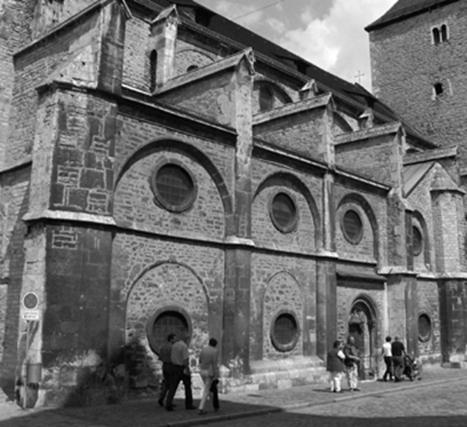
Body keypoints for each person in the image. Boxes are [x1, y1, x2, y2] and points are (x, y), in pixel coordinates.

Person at [165, 334, 196, 411]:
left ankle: (168, 403)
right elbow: (185, 359)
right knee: (187, 386)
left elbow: (171, 357)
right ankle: (188, 404)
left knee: (173, 387)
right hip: (182, 368)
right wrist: (187, 368)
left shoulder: (174, 346)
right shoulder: (184, 346)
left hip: (174, 367)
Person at [198, 338, 220, 414]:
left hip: (202, 370)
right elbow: (214, 363)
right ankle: (201, 408)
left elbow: (200, 360)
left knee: (210, 389)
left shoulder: (203, 349)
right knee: (207, 390)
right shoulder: (215, 351)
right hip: (209, 371)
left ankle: (215, 405)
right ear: (215, 344)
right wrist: (216, 374)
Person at [158, 333, 175, 407]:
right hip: (171, 366)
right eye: (174, 338)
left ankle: (161, 398)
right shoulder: (172, 347)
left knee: (166, 383)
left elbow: (160, 357)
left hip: (164, 365)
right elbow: (175, 358)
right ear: (171, 339)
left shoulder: (163, 347)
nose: (175, 340)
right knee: (172, 384)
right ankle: (169, 402)